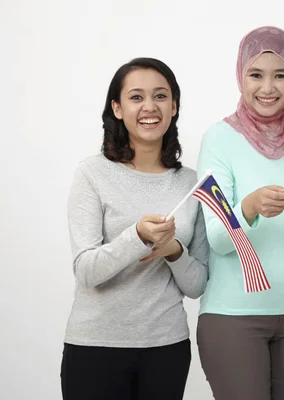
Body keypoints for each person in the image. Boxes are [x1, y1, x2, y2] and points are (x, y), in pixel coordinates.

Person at [61, 57, 209, 400]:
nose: (149, 107)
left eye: (160, 96)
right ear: (117, 107)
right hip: (95, 346)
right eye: (136, 97)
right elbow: (85, 271)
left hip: (166, 347)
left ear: (174, 107)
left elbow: (198, 284)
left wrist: (174, 251)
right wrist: (137, 237)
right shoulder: (91, 174)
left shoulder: (189, 182)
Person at [195, 26, 284, 400]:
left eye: (280, 75)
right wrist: (249, 207)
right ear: (241, 76)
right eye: (256, 75)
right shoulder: (220, 138)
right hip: (233, 317)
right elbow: (219, 239)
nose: (267, 87)